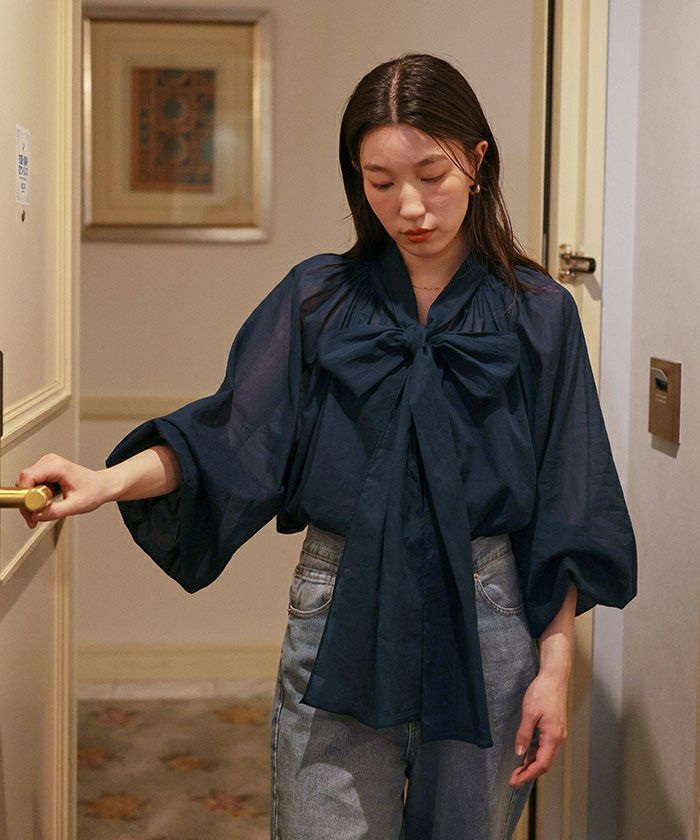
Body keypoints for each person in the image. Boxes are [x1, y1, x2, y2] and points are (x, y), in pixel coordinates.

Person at [16, 52, 637, 839]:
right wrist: (103, 480)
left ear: (477, 162)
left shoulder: (540, 313)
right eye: (381, 182)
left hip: (488, 616)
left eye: (431, 176)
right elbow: (230, 434)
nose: (409, 206)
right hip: (339, 600)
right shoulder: (318, 299)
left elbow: (569, 497)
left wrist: (555, 667)